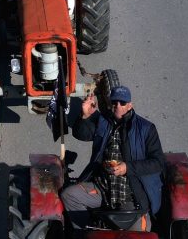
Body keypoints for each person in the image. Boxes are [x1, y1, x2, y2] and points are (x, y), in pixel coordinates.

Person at [61, 86, 166, 229]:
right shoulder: (104, 122)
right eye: (114, 102)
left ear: (130, 105)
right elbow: (81, 134)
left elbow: (158, 162)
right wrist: (84, 116)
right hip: (102, 188)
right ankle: (84, 236)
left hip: (131, 194)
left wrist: (127, 167)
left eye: (122, 103)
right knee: (69, 195)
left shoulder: (146, 128)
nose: (118, 106)